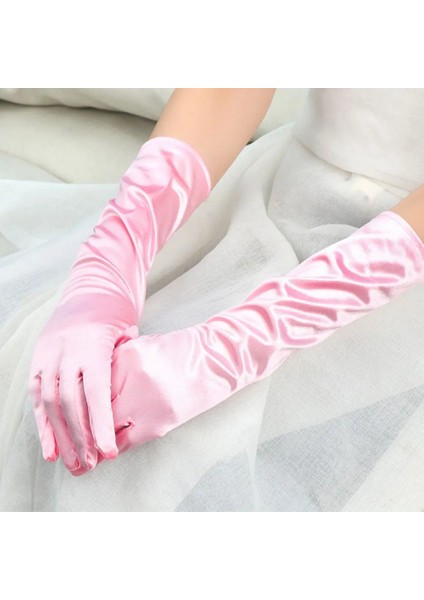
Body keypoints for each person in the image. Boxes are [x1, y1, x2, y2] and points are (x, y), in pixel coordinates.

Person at [2, 88, 424, 510]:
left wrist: (233, 348)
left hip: (408, 258)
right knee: (59, 386)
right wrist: (112, 256)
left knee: (185, 460)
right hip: (288, 188)